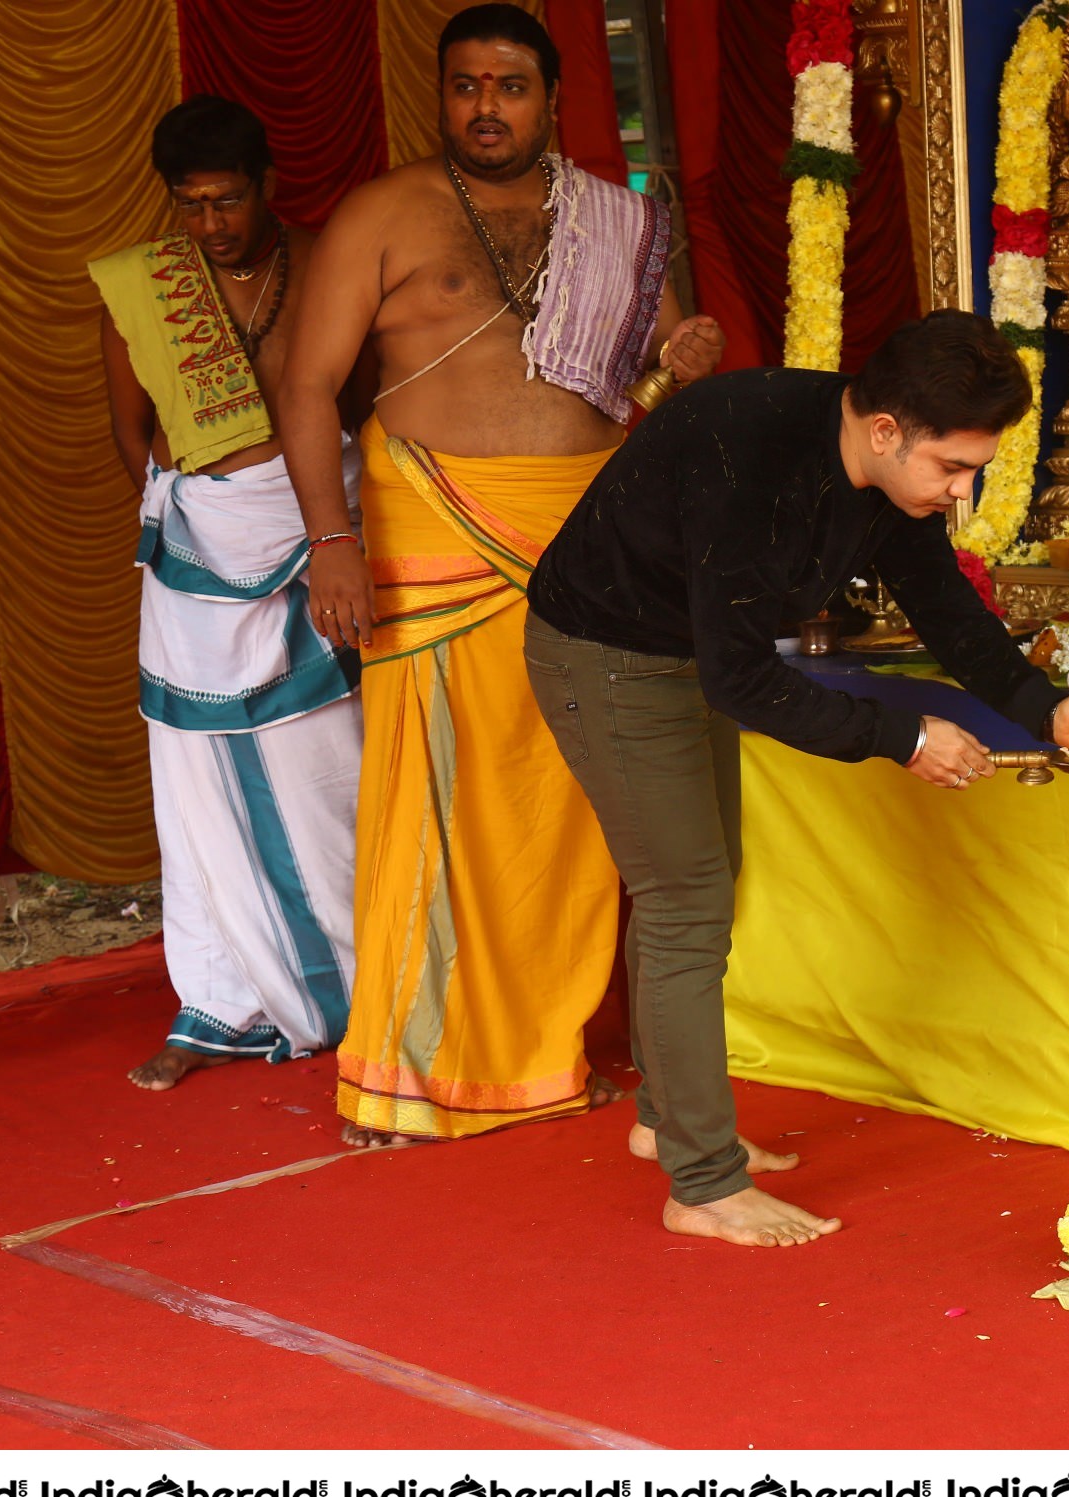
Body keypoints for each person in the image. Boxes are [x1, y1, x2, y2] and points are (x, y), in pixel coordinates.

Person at [522, 310, 1069, 1248]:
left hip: (687, 656)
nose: (962, 491)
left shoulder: (885, 482)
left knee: (708, 882)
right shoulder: (746, 451)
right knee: (686, 899)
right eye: (952, 468)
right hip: (606, 653)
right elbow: (743, 677)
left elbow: (943, 603)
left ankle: (670, 1120)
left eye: (976, 470)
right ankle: (702, 1183)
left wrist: (1047, 712)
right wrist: (904, 735)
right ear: (884, 431)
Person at [277, 4, 724, 1144]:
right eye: (467, 86)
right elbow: (307, 387)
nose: (486, 106)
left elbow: (651, 380)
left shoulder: (620, 221)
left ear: (553, 99)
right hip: (429, 525)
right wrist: (331, 542)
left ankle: (542, 1049)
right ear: (443, 96)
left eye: (509, 86)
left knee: (577, 798)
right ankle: (407, 1065)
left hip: (587, 534)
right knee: (432, 799)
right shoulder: (383, 213)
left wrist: (685, 360)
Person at [91, 96, 366, 1090]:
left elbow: (361, 401)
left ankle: (367, 985)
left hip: (314, 538)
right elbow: (132, 428)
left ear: (267, 185)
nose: (209, 224)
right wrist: (193, 521)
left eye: (227, 200)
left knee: (327, 769)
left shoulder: (328, 264)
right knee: (195, 786)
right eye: (190, 205)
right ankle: (221, 1003)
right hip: (195, 559)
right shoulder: (147, 289)